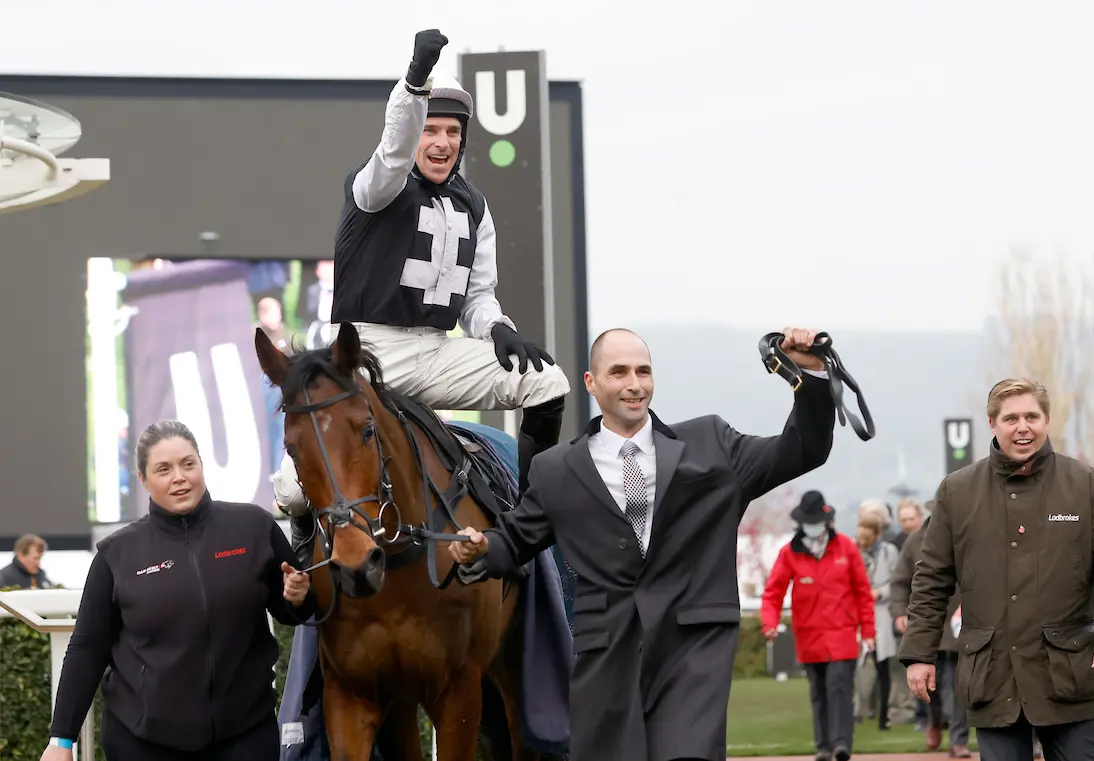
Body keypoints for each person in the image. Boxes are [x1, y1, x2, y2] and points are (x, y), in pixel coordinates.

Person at [446, 326, 838, 761]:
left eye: (643, 371)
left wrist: (810, 376)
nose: (634, 384)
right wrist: (481, 547)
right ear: (591, 383)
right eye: (619, 372)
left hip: (692, 655)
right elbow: (517, 538)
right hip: (605, 660)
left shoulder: (712, 444)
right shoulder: (555, 469)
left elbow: (803, 448)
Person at [274, 28, 571, 568]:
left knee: (547, 381)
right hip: (365, 355)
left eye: (452, 132)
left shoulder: (474, 205)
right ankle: (304, 562)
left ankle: (525, 525)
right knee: (293, 492)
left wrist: (498, 329)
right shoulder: (375, 186)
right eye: (430, 129)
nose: (441, 142)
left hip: (436, 351)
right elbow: (393, 150)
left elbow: (477, 297)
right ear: (413, 132)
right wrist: (414, 83)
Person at [40, 420, 315, 761]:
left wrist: (299, 598)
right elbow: (87, 648)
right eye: (164, 469)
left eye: (188, 464)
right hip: (142, 743)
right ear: (143, 479)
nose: (179, 477)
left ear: (201, 465)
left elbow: (293, 610)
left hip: (245, 735)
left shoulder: (254, 526)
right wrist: (61, 741)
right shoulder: (117, 553)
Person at [898, 377, 1094, 761]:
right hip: (993, 676)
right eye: (1011, 419)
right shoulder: (957, 491)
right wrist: (919, 654)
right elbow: (930, 580)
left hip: (1069, 675)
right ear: (992, 424)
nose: (1023, 427)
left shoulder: (1084, 484)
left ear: (1047, 421)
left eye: (1032, 417)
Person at [761, 490, 874, 761]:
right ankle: (823, 746)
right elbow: (773, 593)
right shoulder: (790, 553)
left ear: (826, 521)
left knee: (839, 688)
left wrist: (868, 632)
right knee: (819, 692)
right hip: (809, 636)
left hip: (842, 634)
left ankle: (841, 743)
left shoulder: (846, 548)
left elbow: (863, 593)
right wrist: (769, 623)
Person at [890, 502, 970, 757]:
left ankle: (958, 739)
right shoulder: (915, 541)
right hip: (928, 623)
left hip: (961, 623)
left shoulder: (969, 534)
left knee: (959, 685)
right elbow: (900, 581)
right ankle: (934, 721)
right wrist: (900, 612)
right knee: (929, 684)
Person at [856, 510, 899, 732]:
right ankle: (856, 712)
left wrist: (880, 592)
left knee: (883, 668)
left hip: (880, 613)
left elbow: (898, 581)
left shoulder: (888, 552)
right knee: (857, 667)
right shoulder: (853, 551)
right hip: (858, 613)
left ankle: (884, 716)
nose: (863, 541)